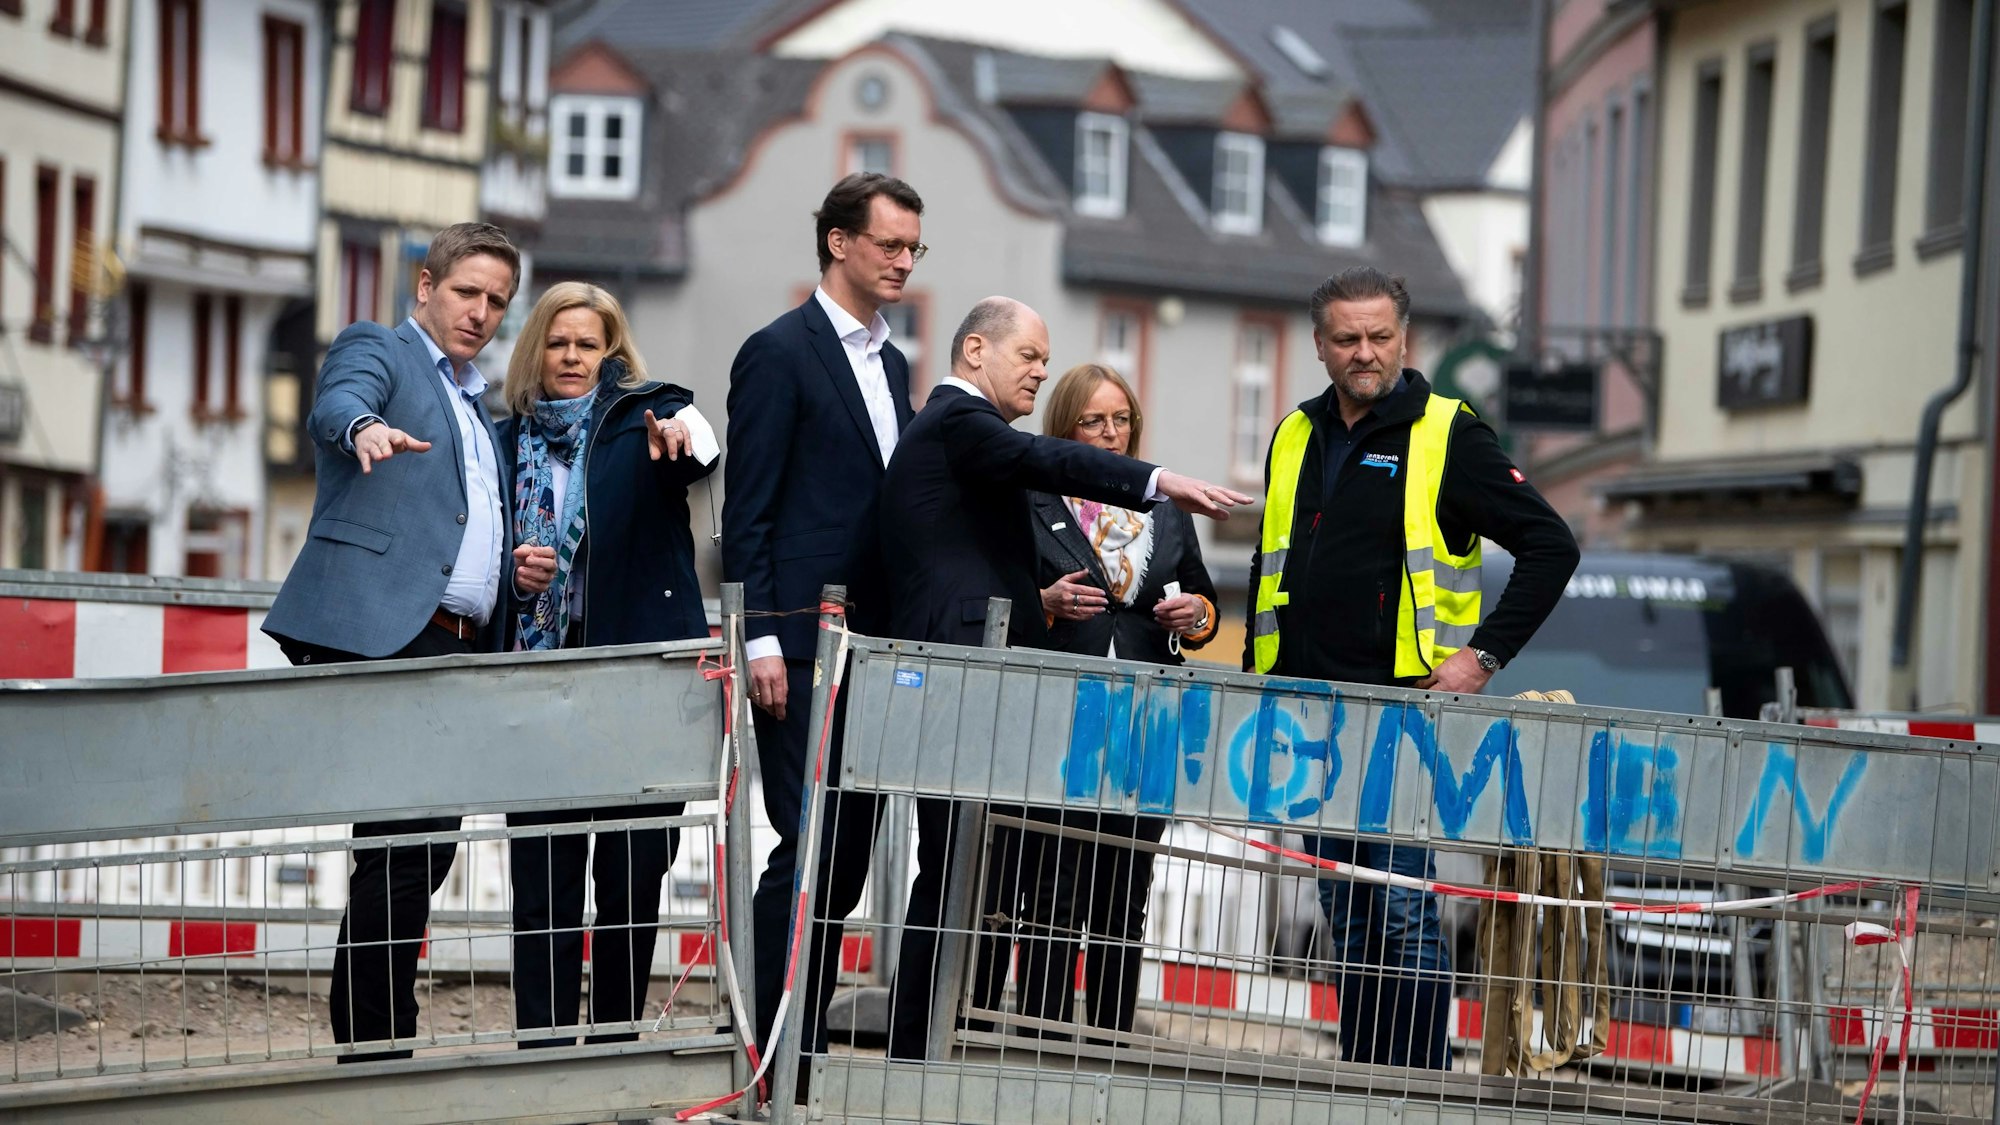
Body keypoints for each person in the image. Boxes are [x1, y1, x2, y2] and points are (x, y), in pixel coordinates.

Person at [846, 296, 1253, 1059]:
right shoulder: (964, 423)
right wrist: (1161, 477)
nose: (1040, 369)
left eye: (1043, 357)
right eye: (1030, 356)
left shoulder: (961, 437)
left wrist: (1192, 610)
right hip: (978, 684)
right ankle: (927, 1049)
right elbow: (1050, 460)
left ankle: (935, 1049)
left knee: (965, 874)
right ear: (975, 352)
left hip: (1069, 700)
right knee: (973, 879)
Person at [1244, 266, 1579, 1070]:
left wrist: (1483, 655)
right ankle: (1365, 1080)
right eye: (1348, 338)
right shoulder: (1295, 431)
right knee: (1346, 911)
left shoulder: (1446, 432)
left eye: (1380, 336)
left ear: (1405, 338)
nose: (1365, 352)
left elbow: (1551, 545)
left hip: (1405, 713)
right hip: (1311, 713)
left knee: (1401, 910)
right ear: (1320, 344)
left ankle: (1416, 1088)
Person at [262, 222, 551, 1060]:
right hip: (394, 639)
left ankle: (376, 1043)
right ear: (426, 285)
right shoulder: (379, 349)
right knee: (398, 850)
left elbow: (453, 520)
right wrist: (363, 430)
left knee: (418, 853)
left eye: (498, 301)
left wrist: (511, 566)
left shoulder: (478, 401)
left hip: (458, 646)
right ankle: (378, 1047)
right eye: (468, 292)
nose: (483, 313)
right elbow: (337, 401)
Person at [720, 172, 925, 1050]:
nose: (905, 261)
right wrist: (761, 634)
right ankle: (770, 1045)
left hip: (876, 646)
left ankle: (795, 1043)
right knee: (807, 843)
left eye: (915, 249)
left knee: (839, 859)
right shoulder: (779, 350)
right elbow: (748, 512)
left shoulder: (895, 361)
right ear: (839, 243)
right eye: (890, 244)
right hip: (798, 643)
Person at [494, 281, 719, 1046]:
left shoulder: (642, 420)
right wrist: (512, 576)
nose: (571, 356)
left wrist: (684, 436)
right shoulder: (505, 440)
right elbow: (481, 559)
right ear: (536, 348)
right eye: (558, 342)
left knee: (631, 873)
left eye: (587, 344)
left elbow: (699, 447)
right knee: (543, 881)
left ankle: (616, 1045)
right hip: (541, 680)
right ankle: (546, 1053)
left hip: (639, 682)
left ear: (611, 352)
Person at [1018, 363, 1219, 1039]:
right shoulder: (1035, 496)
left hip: (1144, 720)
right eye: (1093, 420)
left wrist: (1197, 615)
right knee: (1050, 888)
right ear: (1064, 428)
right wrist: (1040, 606)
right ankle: (1038, 1034)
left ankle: (1107, 1040)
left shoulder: (1166, 505)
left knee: (1123, 893)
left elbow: (1205, 601)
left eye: (1121, 419)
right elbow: (1006, 593)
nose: (1111, 433)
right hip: (1059, 717)